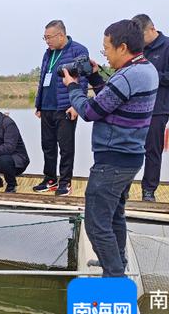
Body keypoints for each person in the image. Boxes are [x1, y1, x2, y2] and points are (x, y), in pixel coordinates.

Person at [63, 19, 158, 277]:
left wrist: (72, 86)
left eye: (106, 47)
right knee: (115, 214)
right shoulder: (145, 69)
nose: (104, 53)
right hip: (129, 156)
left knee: (95, 223)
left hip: (113, 160)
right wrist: (94, 75)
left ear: (123, 47)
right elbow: (112, 99)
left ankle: (114, 275)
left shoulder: (129, 75)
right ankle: (116, 263)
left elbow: (91, 110)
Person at [132, 14, 169, 202]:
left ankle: (148, 190)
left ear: (151, 29)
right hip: (136, 107)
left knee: (153, 150)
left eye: (141, 36)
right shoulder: (139, 49)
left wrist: (155, 77)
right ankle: (123, 187)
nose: (139, 41)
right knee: (130, 147)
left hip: (158, 108)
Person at [33, 20, 89, 196]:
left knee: (65, 147)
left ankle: (65, 182)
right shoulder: (48, 53)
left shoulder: (78, 50)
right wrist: (39, 104)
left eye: (49, 37)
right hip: (47, 106)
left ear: (61, 35)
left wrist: (76, 105)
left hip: (65, 106)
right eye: (45, 38)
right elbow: (43, 78)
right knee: (47, 145)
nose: (47, 41)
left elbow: (84, 78)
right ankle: (50, 179)